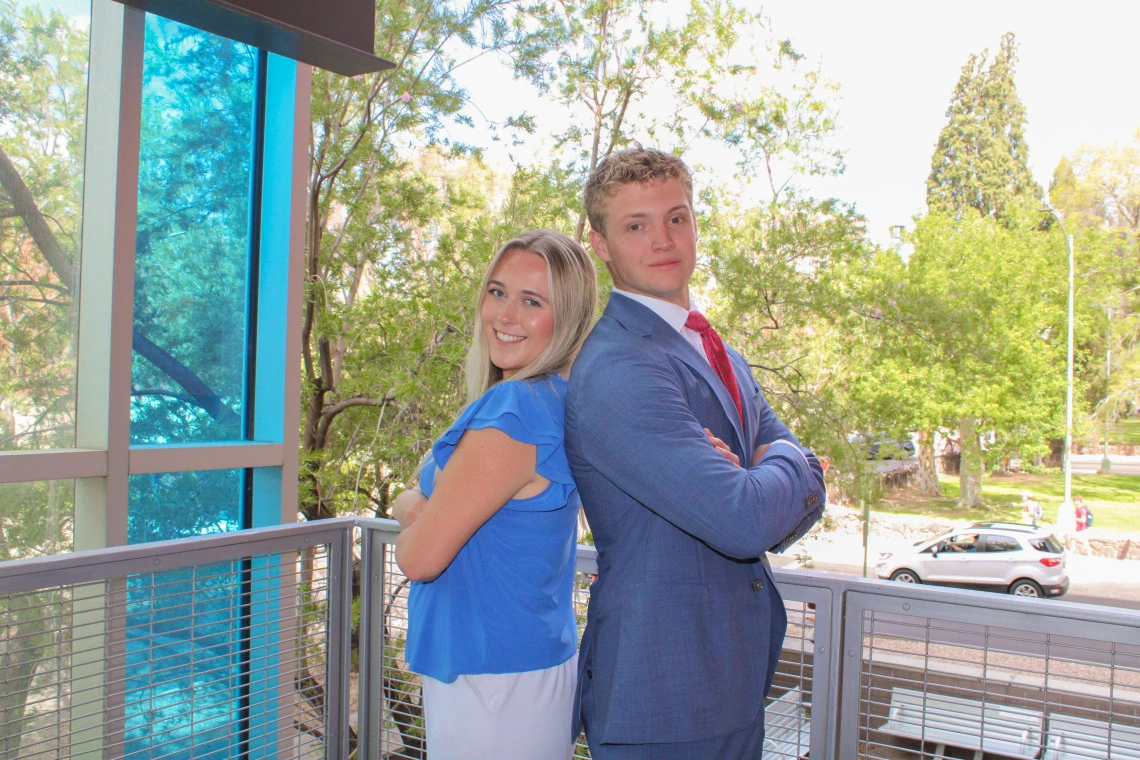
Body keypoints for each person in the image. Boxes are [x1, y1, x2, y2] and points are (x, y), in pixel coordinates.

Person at [565, 147, 826, 758]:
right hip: (663, 693)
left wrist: (770, 470)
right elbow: (744, 520)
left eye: (676, 217)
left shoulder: (715, 350)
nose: (663, 239)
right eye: (636, 225)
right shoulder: (619, 366)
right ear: (602, 245)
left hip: (731, 678)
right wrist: (792, 462)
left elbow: (796, 500)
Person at [391, 229, 597, 760]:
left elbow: (419, 558)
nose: (504, 315)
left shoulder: (515, 411)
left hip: (492, 682)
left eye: (532, 301)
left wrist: (415, 508)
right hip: (517, 668)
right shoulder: (556, 400)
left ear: (568, 319)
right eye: (498, 291)